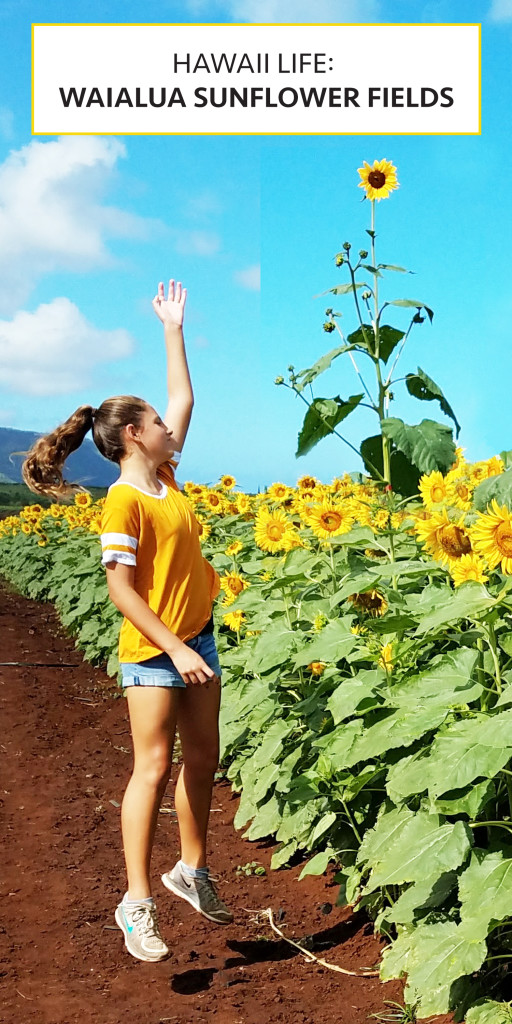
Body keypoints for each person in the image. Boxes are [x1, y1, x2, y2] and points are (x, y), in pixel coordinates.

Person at [22, 278, 233, 963]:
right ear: (135, 436)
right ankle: (136, 903)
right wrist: (175, 649)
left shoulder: (165, 477)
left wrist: (173, 329)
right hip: (155, 652)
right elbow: (121, 592)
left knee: (203, 758)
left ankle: (190, 870)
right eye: (160, 423)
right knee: (152, 766)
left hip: (194, 640)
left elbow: (184, 399)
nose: (173, 427)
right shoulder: (123, 503)